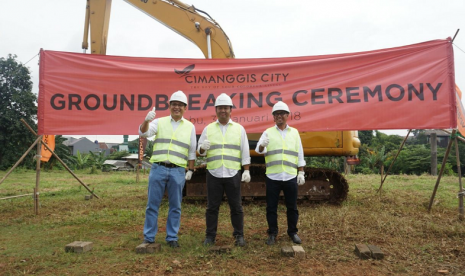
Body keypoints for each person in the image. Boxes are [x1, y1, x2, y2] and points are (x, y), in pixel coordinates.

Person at [139, 90, 196, 248]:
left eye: (180, 105)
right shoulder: (159, 122)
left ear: (185, 108)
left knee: (175, 206)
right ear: (169, 106)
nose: (177, 107)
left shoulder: (190, 127)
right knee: (152, 204)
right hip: (158, 168)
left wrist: (190, 170)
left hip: (178, 171)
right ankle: (149, 237)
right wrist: (146, 121)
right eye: (174, 104)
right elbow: (143, 132)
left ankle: (172, 237)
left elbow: (192, 151)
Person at [198, 93, 251, 247]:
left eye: (225, 108)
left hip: (233, 173)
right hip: (213, 173)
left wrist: (246, 170)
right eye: (220, 108)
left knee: (236, 206)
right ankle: (210, 236)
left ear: (230, 110)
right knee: (212, 207)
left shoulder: (239, 129)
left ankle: (239, 235)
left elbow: (245, 151)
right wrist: (202, 148)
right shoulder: (208, 129)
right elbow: (200, 151)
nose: (223, 110)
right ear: (216, 110)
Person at [255, 101, 306, 245]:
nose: (279, 116)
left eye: (282, 113)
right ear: (273, 116)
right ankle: (272, 233)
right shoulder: (267, 132)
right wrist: (262, 145)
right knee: (271, 207)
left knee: (292, 207)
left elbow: (299, 153)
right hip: (273, 176)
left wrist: (301, 172)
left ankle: (292, 232)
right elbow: (259, 150)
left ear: (287, 115)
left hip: (290, 176)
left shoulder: (294, 133)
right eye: (276, 114)